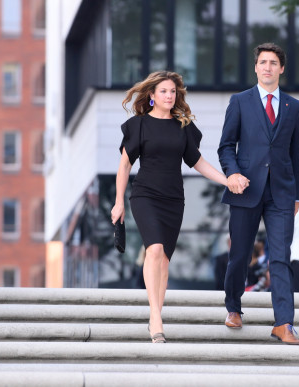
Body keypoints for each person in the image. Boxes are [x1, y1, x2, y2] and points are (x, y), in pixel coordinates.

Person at [111, 71, 231, 344]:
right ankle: (156, 318)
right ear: (151, 96)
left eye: (173, 92)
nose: (169, 95)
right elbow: (125, 165)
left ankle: (156, 313)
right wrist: (118, 202)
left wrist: (225, 180)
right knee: (153, 250)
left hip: (173, 200)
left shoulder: (183, 126)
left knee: (164, 259)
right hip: (145, 196)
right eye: (163, 91)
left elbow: (198, 162)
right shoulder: (138, 125)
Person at [218, 42, 299, 345]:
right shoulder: (240, 101)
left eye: (273, 63)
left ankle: (284, 323)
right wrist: (232, 174)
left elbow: (297, 153)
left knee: (280, 257)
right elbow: (226, 146)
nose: (267, 67)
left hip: (281, 193)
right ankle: (233, 307)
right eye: (262, 62)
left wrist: (298, 195)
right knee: (240, 254)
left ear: (281, 69)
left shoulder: (295, 107)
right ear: (256, 68)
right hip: (246, 189)